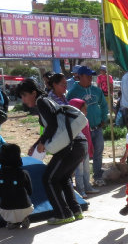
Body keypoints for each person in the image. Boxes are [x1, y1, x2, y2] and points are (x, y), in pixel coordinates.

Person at [19, 79, 87, 225]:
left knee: (48, 179)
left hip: (70, 146)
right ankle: (75, 211)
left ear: (33, 93)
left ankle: (63, 214)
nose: (23, 100)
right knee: (63, 178)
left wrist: (42, 142)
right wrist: (37, 144)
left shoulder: (42, 102)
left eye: (24, 95)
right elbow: (52, 126)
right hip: (79, 144)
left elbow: (54, 125)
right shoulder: (46, 101)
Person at [67, 66, 109, 187]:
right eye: (88, 75)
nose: (91, 78)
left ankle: (97, 176)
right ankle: (82, 181)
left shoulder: (96, 90)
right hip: (82, 130)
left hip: (97, 127)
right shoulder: (73, 92)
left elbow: (104, 105)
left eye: (91, 76)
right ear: (80, 77)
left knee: (98, 152)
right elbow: (70, 110)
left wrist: (103, 119)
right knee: (82, 156)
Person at [68, 98, 99, 198]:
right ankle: (81, 190)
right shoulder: (73, 122)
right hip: (78, 150)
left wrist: (91, 147)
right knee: (79, 171)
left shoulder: (85, 120)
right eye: (84, 110)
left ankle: (88, 187)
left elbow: (88, 135)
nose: (86, 112)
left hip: (85, 149)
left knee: (86, 169)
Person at [0, 143, 33, 229]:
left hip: (6, 208)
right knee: (23, 207)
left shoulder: (0, 174)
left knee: (7, 208)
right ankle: (24, 218)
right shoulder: (23, 173)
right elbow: (30, 190)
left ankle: (12, 222)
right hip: (25, 206)